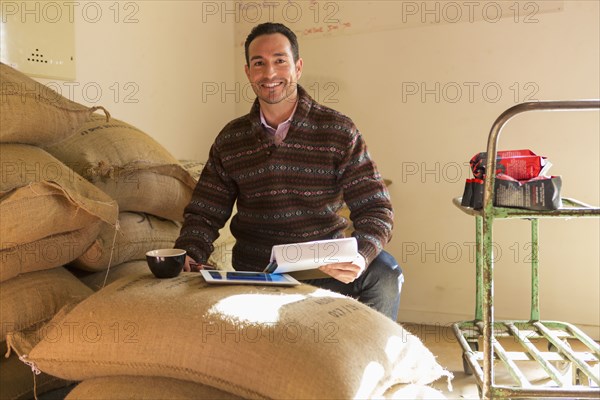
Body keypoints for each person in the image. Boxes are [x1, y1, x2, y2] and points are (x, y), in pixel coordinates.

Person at [175, 22, 403, 320]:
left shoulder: (338, 131)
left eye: (280, 61)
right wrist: (189, 252)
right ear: (248, 72)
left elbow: (376, 209)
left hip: (325, 269)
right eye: (259, 63)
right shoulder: (231, 140)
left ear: (297, 67)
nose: (269, 74)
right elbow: (204, 212)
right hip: (258, 275)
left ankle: (371, 360)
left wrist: (361, 256)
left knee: (386, 273)